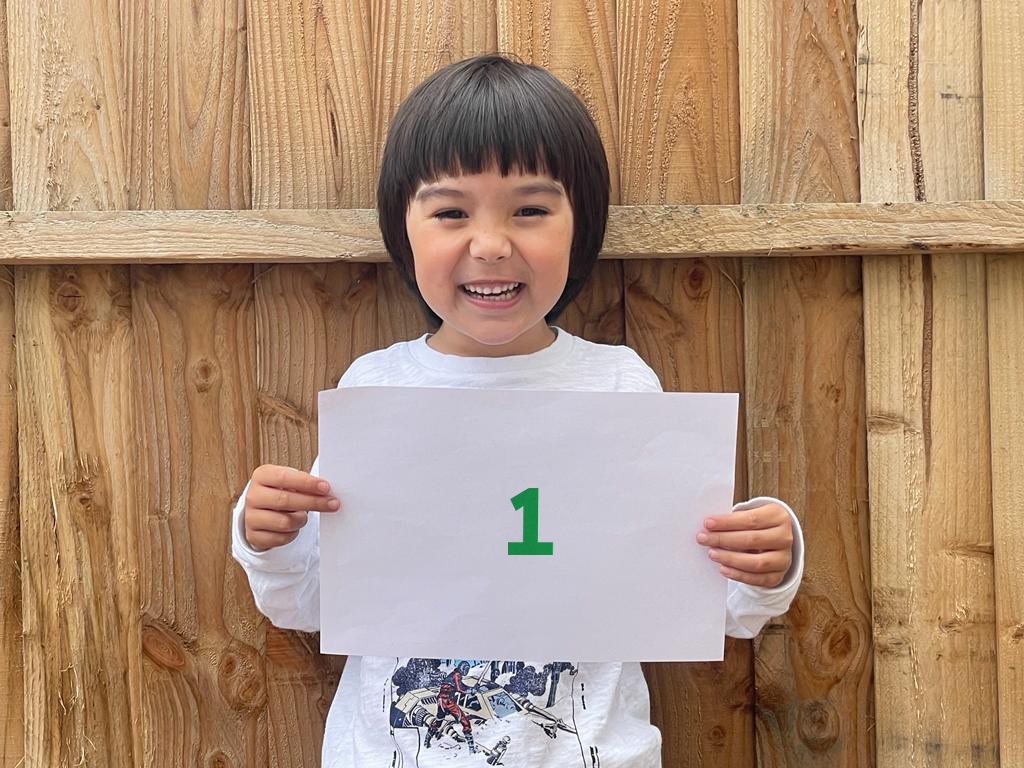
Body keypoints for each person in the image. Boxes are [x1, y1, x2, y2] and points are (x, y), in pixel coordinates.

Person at [231, 53, 804, 767]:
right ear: (402, 229)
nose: (492, 244)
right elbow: (311, 605)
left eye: (530, 210)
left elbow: (700, 608)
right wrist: (269, 538)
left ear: (581, 223)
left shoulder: (622, 387)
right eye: (450, 212)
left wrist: (765, 563)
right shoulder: (375, 389)